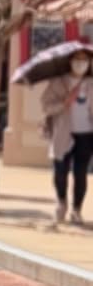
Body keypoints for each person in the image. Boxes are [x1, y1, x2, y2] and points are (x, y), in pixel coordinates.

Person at [41, 50, 93, 225]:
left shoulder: (91, 83)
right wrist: (65, 102)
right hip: (63, 133)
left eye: (85, 60)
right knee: (60, 171)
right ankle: (61, 202)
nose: (81, 64)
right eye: (77, 60)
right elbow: (46, 105)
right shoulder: (59, 82)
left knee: (81, 174)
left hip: (85, 134)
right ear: (70, 61)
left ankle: (77, 209)